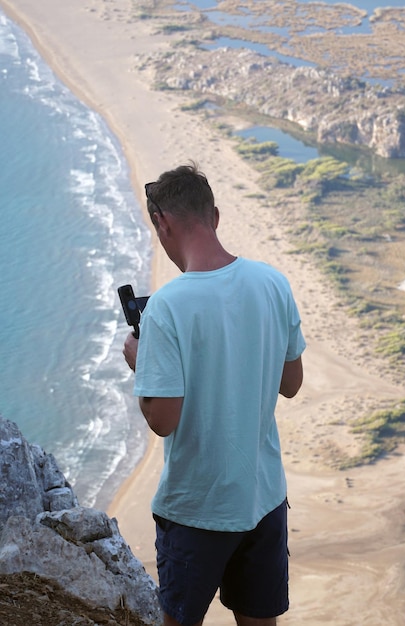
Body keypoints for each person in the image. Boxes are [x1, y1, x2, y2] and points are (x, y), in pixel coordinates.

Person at [123, 162, 306, 626]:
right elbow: (291, 384)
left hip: (197, 509)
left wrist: (141, 361)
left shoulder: (167, 306)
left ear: (162, 223)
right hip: (262, 499)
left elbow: (163, 420)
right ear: (216, 216)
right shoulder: (273, 282)